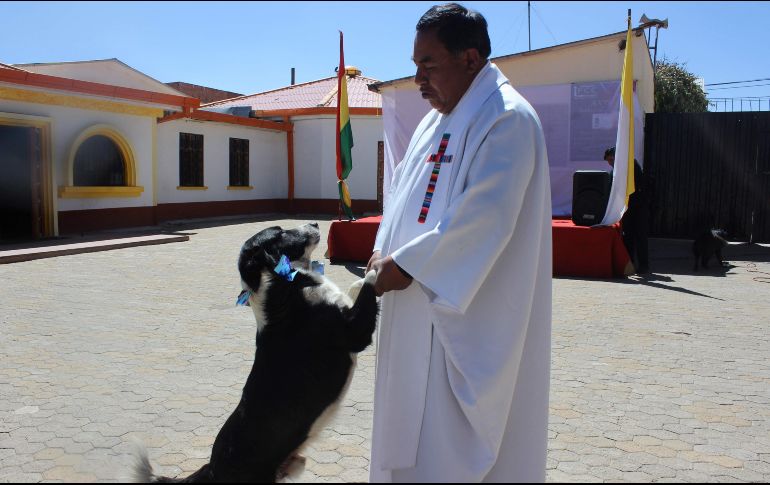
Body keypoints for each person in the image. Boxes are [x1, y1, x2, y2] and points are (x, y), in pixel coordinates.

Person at [365, 3, 552, 482]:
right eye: (415, 65)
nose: (418, 79)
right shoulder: (434, 121)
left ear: (470, 58)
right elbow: (401, 195)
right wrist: (383, 247)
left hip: (459, 325)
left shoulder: (508, 119)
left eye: (428, 64)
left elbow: (486, 217)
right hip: (412, 316)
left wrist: (407, 265)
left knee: (445, 450)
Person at [604, 146, 650, 274]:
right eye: (608, 161)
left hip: (639, 207)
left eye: (611, 160)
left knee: (640, 235)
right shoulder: (614, 172)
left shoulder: (631, 165)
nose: (610, 163)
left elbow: (636, 183)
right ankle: (630, 264)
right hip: (627, 208)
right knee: (628, 236)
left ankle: (644, 265)